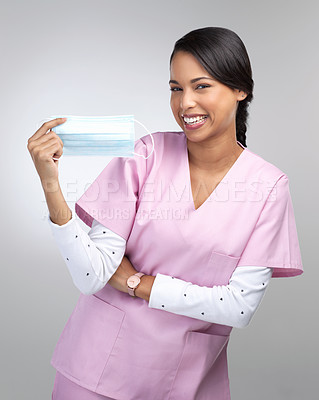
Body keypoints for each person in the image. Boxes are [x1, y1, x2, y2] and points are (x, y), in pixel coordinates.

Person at [27, 27, 303, 400]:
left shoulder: (268, 187)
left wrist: (137, 284)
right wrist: (51, 184)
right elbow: (92, 274)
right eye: (176, 88)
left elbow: (239, 306)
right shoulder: (147, 154)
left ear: (241, 89)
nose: (185, 103)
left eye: (201, 86)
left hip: (186, 381)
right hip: (96, 371)